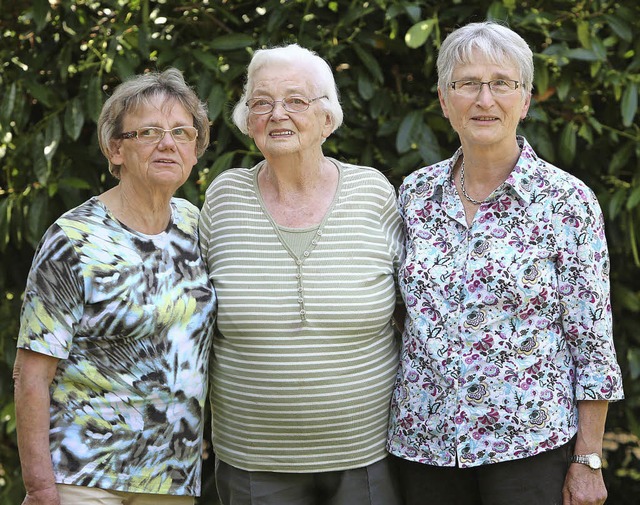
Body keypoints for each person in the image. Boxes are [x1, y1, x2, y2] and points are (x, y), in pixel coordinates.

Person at [387, 21, 624, 505]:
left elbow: (592, 339)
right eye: (468, 83)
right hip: (424, 448)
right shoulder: (413, 195)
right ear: (443, 99)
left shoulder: (567, 201)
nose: (484, 99)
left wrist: (589, 457)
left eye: (501, 84)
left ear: (526, 99)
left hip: (530, 450)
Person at [199, 43, 404, 505]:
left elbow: (415, 308)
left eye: (295, 100)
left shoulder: (372, 192)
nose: (277, 114)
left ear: (328, 118)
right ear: (247, 120)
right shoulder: (224, 197)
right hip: (253, 459)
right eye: (262, 102)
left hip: (366, 455)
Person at [13, 68, 216, 505]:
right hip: (83, 477)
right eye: (149, 131)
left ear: (196, 150)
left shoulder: (196, 226)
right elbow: (31, 373)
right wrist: (40, 487)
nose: (168, 143)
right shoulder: (73, 239)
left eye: (182, 132)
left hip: (172, 479)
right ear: (115, 148)